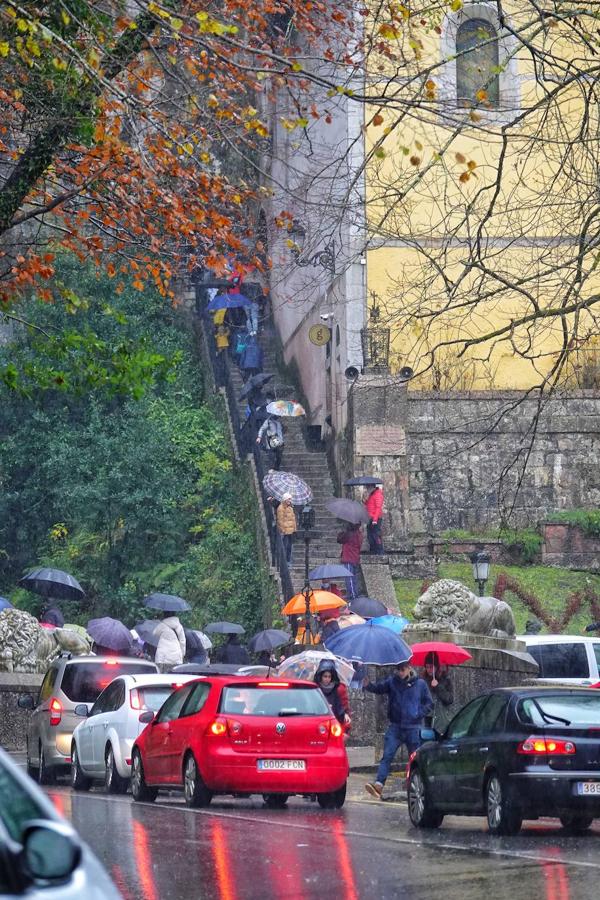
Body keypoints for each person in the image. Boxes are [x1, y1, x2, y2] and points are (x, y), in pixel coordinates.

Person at [363, 661, 432, 800]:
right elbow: (379, 688)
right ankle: (379, 785)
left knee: (415, 759)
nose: (400, 672)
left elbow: (429, 703)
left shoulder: (420, 684)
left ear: (409, 668)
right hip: (396, 726)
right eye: (398, 670)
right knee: (387, 756)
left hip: (413, 727)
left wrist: (418, 713)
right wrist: (368, 685)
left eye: (402, 669)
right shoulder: (392, 682)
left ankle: (418, 785)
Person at [314, 659, 351, 732]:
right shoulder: (316, 689)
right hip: (318, 723)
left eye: (329, 677)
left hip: (332, 723)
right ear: (321, 676)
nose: (327, 679)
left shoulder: (335, 690)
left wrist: (345, 714)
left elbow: (339, 707)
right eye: (325, 676)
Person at [421, 652, 454, 732]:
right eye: (427, 667)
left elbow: (449, 699)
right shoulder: (423, 681)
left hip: (441, 720)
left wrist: (437, 687)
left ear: (436, 667)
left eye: (431, 667)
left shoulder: (445, 680)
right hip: (428, 718)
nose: (429, 669)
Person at [337, 522, 363, 600]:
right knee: (354, 579)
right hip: (355, 558)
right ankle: (355, 594)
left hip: (349, 558)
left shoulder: (349, 534)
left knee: (350, 579)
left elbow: (339, 539)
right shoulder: (359, 534)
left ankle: (353, 597)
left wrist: (343, 531)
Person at [276, 492, 296, 563]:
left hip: (291, 531)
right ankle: (284, 561)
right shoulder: (281, 508)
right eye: (289, 499)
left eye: (290, 499)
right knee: (285, 546)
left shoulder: (290, 508)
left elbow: (293, 519)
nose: (290, 501)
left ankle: (288, 561)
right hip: (285, 531)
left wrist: (294, 528)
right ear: (285, 499)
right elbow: (280, 520)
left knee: (289, 547)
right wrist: (283, 530)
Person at [364, 484, 385, 555]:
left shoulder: (378, 494)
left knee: (376, 535)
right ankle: (373, 549)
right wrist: (365, 501)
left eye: (368, 487)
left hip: (375, 518)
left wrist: (375, 520)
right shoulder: (372, 494)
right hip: (370, 517)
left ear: (372, 487)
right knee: (370, 535)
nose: (367, 488)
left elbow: (378, 508)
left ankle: (379, 550)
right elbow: (370, 505)